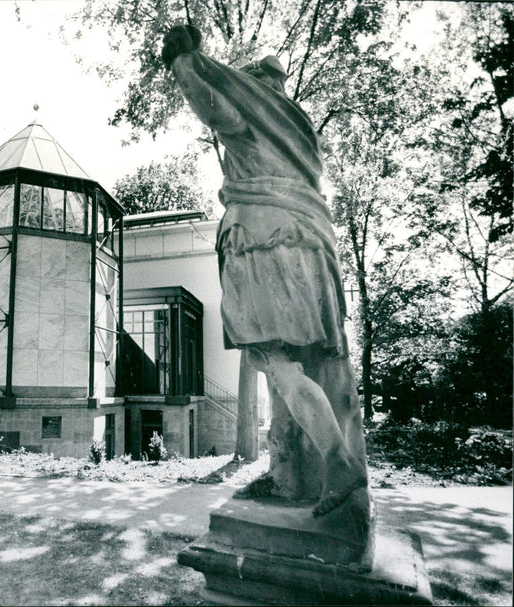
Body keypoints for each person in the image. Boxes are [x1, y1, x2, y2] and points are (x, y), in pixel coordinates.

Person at [162, 25, 367, 517]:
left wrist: (183, 61)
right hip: (309, 246)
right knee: (304, 364)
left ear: (255, 87)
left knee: (280, 365)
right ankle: (291, 473)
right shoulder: (298, 127)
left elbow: (214, 108)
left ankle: (339, 466)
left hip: (263, 244)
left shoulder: (255, 115)